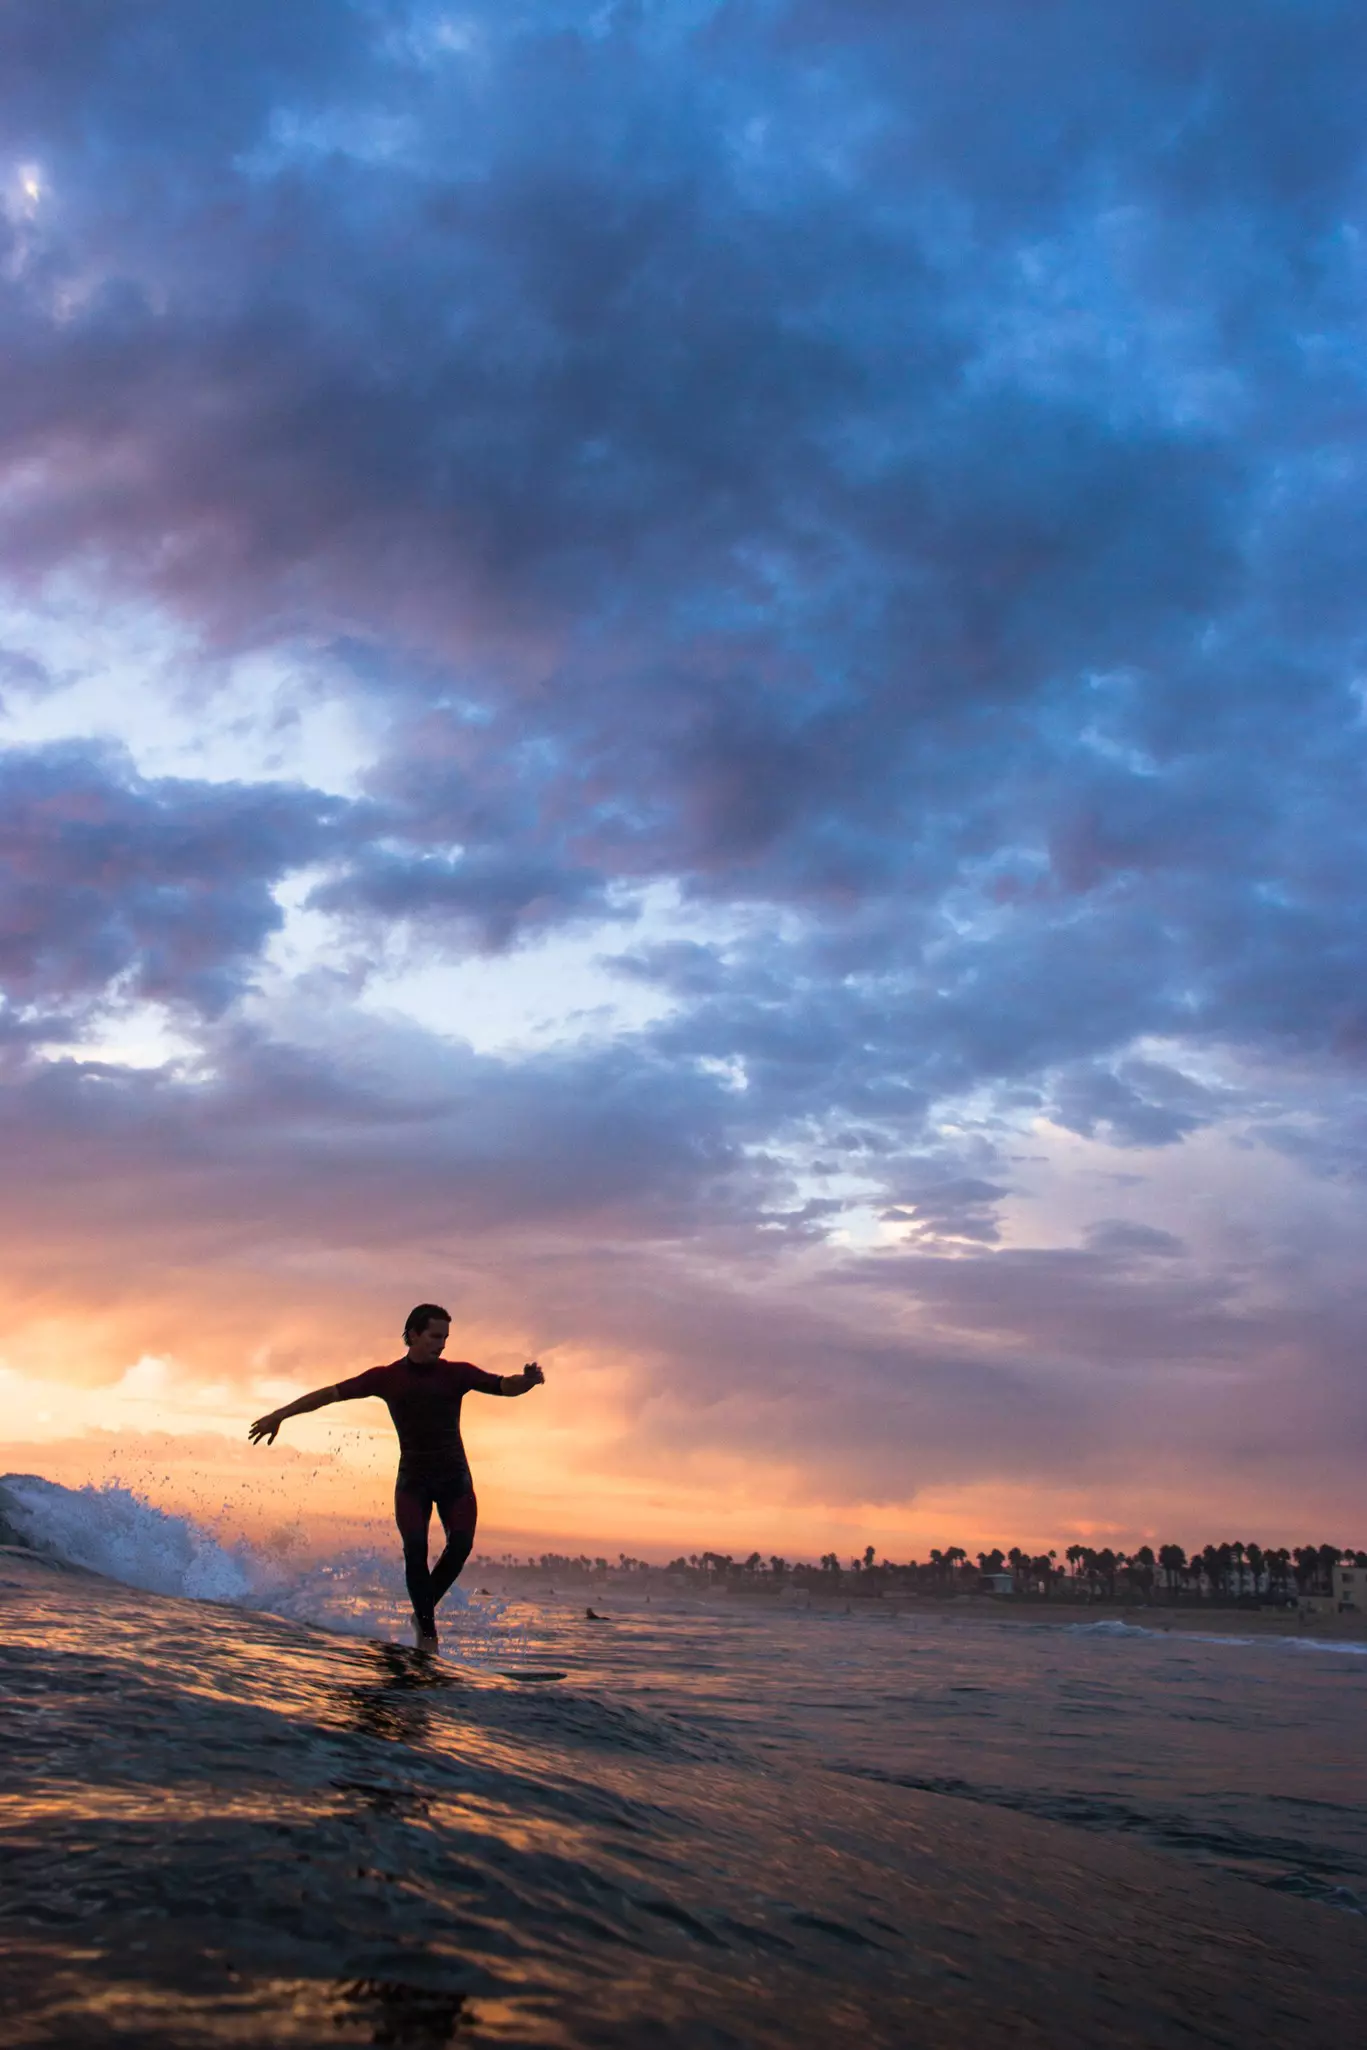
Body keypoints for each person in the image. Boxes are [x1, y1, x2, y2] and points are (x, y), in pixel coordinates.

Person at [248, 1303, 545, 1649]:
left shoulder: (457, 1374)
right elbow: (329, 1395)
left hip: (455, 1480)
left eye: (446, 1337)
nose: (442, 1344)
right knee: (415, 1549)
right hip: (413, 1483)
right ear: (414, 1334)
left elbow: (502, 1385)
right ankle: (428, 1637)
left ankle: (420, 1613)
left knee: (461, 1547)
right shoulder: (387, 1378)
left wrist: (527, 1382)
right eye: (435, 1336)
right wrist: (280, 1415)